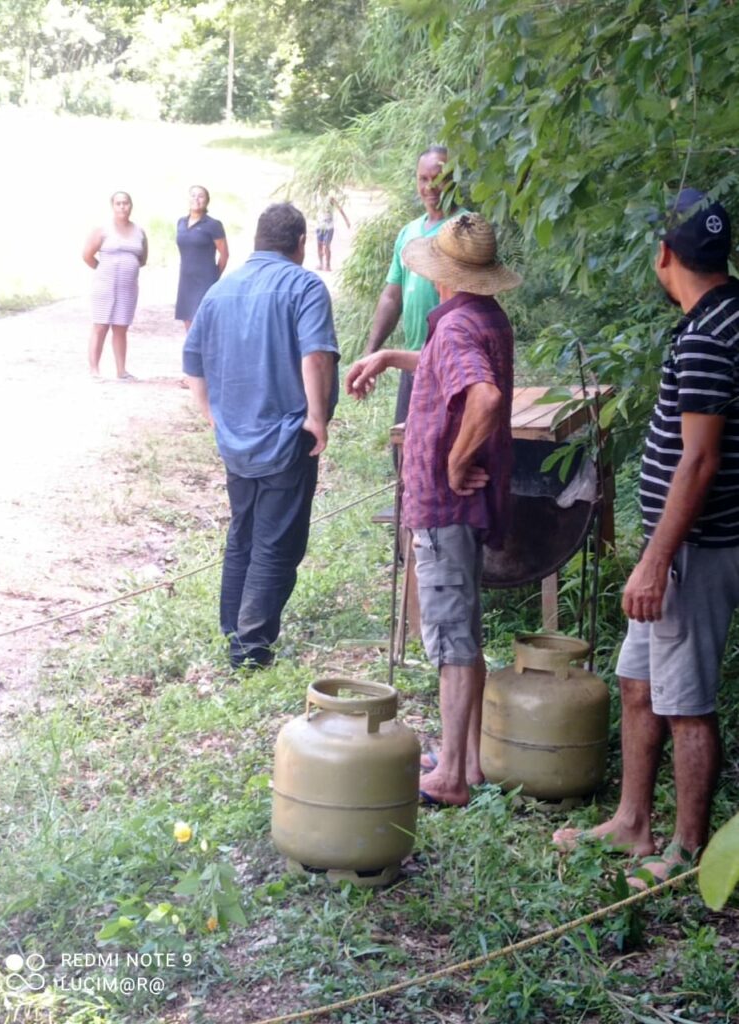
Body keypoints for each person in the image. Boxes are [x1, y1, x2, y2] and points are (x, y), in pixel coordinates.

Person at [553, 188, 739, 887]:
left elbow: (700, 459)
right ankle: (633, 823)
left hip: (694, 551)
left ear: (664, 255)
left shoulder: (705, 338)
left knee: (686, 702)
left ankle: (687, 852)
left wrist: (656, 560)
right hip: (680, 549)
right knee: (639, 681)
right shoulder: (728, 312)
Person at [346, 213, 522, 806]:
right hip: (463, 509)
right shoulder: (483, 318)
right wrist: (394, 356)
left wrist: (451, 463)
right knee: (463, 630)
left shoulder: (456, 329)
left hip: (447, 506)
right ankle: (465, 761)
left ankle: (448, 775)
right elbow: (455, 371)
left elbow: (485, 396)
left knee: (450, 637)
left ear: (442, 275)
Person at [183, 203, 339, 670]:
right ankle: (249, 649)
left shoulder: (219, 290)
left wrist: (211, 414)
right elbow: (316, 357)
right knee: (276, 541)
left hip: (236, 440)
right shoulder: (305, 285)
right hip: (286, 436)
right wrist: (317, 417)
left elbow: (192, 363)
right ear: (300, 244)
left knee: (243, 534)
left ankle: (232, 627)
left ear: (254, 241)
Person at [365, 146, 463, 431]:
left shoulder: (466, 228)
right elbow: (392, 295)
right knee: (405, 446)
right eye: (422, 179)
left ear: (454, 179)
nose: (429, 187)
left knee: (444, 446)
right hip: (414, 360)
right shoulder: (408, 232)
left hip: (452, 361)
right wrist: (371, 351)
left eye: (438, 178)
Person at [83, 191, 147, 380]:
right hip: (104, 286)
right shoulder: (102, 230)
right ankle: (94, 370)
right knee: (100, 325)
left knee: (121, 327)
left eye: (125, 203)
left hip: (128, 287)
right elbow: (87, 255)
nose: (122, 207)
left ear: (131, 205)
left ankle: (121, 370)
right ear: (113, 206)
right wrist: (104, 270)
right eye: (118, 203)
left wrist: (128, 268)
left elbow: (142, 258)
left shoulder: (139, 231)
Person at [175, 185, 228, 331]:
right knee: (187, 321)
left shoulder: (213, 225)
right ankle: (192, 354)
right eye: (193, 195)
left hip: (205, 279)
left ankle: (206, 354)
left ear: (207, 201)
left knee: (203, 321)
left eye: (201, 196)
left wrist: (215, 276)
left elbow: (224, 254)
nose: (196, 199)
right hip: (186, 279)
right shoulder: (181, 223)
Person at [314, 189, 350, 272]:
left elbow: (340, 209)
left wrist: (346, 220)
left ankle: (327, 265)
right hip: (319, 225)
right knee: (319, 245)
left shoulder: (331, 199)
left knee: (326, 246)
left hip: (328, 227)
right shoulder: (318, 197)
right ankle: (320, 263)